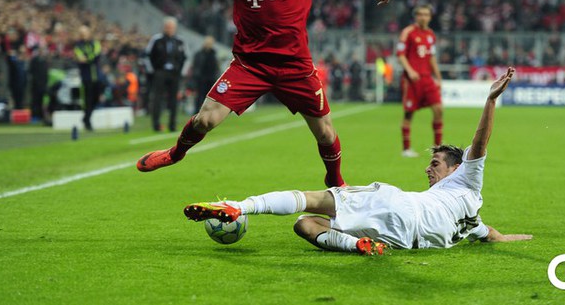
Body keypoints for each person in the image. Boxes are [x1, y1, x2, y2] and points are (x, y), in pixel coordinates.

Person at [137, 0, 397, 187]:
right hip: (250, 65)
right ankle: (175, 154)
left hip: (295, 65)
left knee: (324, 132)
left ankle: (335, 182)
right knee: (205, 120)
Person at [184, 68, 532, 255]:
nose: (429, 168)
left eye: (437, 164)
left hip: (397, 205)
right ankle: (359, 246)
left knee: (312, 200)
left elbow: (480, 142)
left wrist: (490, 100)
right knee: (305, 225)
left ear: (457, 168)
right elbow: (490, 234)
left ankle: (238, 206)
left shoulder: (466, 179)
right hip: (401, 239)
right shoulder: (470, 220)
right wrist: (513, 238)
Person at [397, 4, 444, 157]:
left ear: (430, 17)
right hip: (412, 80)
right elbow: (400, 54)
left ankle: (438, 149)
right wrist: (410, 71)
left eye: (426, 14)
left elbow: (431, 58)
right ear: (416, 16)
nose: (423, 17)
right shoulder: (408, 32)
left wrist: (438, 77)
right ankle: (406, 149)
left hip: (427, 79)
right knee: (409, 114)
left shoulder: (431, 34)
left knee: (438, 109)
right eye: (420, 14)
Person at [144, 17, 187, 132]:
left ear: (175, 28)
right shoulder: (156, 39)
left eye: (171, 27)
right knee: (157, 98)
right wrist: (153, 71)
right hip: (160, 72)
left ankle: (172, 124)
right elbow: (147, 55)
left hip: (174, 73)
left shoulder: (179, 41)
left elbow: (185, 57)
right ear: (164, 27)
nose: (169, 29)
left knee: (174, 99)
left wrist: (181, 71)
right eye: (167, 27)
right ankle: (156, 124)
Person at [73, 25, 103, 131]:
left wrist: (87, 58)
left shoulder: (95, 43)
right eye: (81, 33)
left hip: (97, 76)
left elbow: (96, 55)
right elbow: (80, 58)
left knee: (96, 99)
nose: (83, 35)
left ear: (89, 33)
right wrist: (88, 58)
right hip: (86, 77)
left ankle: (86, 117)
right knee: (88, 100)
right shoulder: (78, 46)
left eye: (85, 32)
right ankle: (87, 121)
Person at [191, 36, 220, 113]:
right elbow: (195, 66)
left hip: (211, 79)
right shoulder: (199, 54)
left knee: (210, 98)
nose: (208, 44)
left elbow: (217, 67)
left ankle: (207, 113)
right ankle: (197, 113)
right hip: (201, 79)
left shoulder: (214, 54)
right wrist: (195, 77)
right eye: (207, 43)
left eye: (210, 43)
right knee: (199, 97)